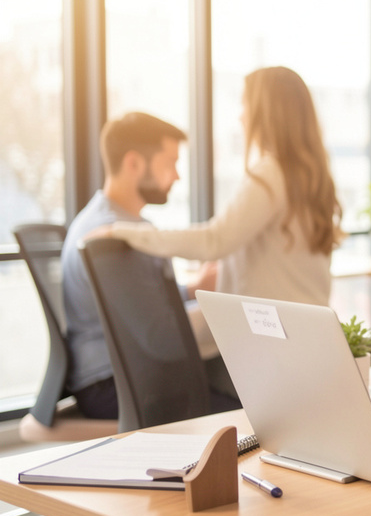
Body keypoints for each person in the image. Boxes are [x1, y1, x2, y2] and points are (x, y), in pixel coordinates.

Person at [101, 66, 343, 307]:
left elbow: (213, 240)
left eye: (245, 105)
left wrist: (122, 231)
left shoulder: (271, 173)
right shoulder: (311, 176)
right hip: (310, 327)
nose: (241, 117)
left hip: (275, 334)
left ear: (265, 113)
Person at [62, 112, 232, 419]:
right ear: (134, 164)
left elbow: (137, 299)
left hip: (123, 375)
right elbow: (159, 335)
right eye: (170, 163)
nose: (177, 176)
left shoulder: (115, 223)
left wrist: (193, 288)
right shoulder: (112, 240)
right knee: (249, 414)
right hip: (116, 385)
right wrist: (227, 315)